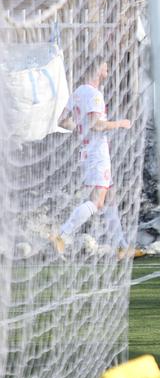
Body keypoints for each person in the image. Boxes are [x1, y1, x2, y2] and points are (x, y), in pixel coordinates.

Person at [50, 59, 138, 258]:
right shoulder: (94, 94)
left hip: (87, 152)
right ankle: (62, 234)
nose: (108, 70)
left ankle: (122, 246)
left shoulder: (78, 92)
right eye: (106, 67)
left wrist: (81, 130)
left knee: (109, 199)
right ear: (98, 70)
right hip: (97, 154)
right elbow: (97, 125)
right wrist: (121, 123)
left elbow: (62, 121)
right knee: (97, 202)